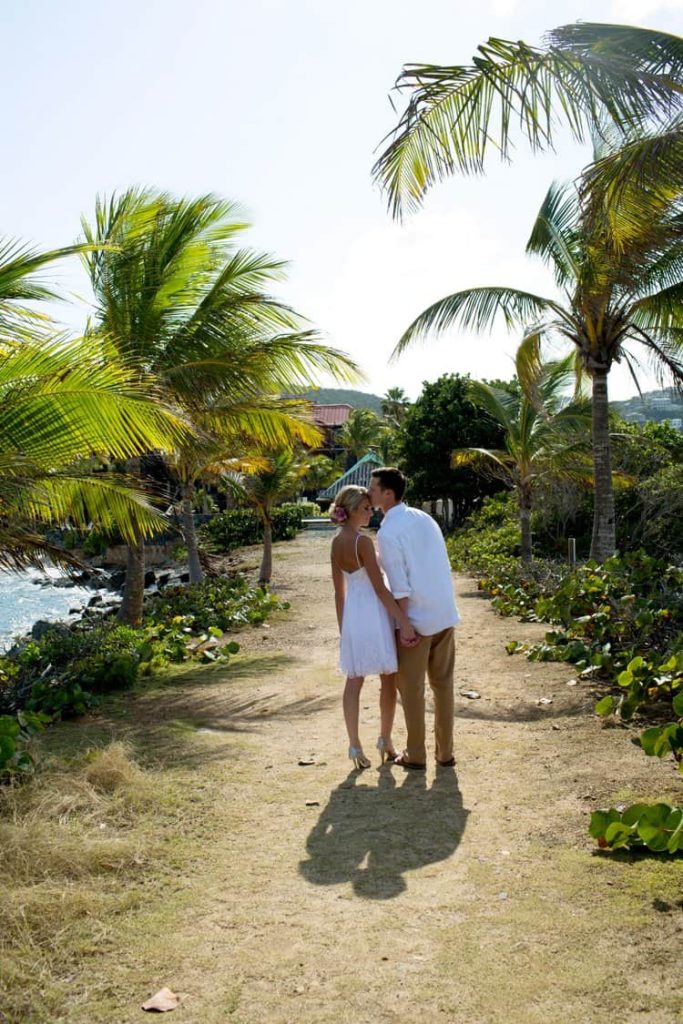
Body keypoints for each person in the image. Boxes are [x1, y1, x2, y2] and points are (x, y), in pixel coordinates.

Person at [368, 468, 461, 769]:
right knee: (443, 686)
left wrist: (404, 624)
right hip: (443, 613)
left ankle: (416, 755)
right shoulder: (425, 519)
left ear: (387, 494)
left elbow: (400, 585)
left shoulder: (388, 533)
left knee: (411, 690)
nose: (369, 493)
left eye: (373, 488)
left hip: (417, 620)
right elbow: (443, 564)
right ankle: (445, 753)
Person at [330, 485, 417, 770]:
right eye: (366, 509)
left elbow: (338, 592)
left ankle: (354, 744)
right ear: (353, 510)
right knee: (388, 679)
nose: (371, 513)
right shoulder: (362, 542)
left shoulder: (336, 542)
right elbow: (380, 589)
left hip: (354, 615)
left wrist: (345, 630)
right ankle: (385, 739)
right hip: (375, 614)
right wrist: (403, 621)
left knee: (354, 679)